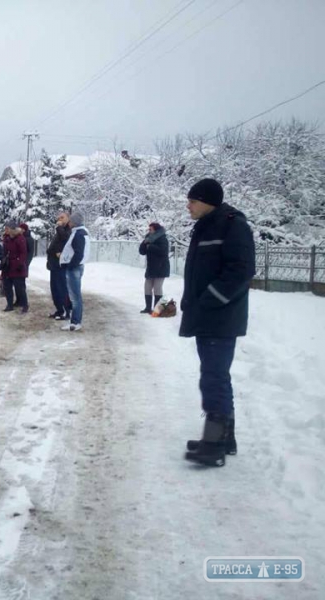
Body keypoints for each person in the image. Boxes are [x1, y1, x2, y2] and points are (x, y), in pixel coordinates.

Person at [181, 178, 255, 467]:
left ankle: (214, 444)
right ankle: (226, 439)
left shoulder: (232, 225)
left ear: (208, 201)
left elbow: (242, 270)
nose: (188, 205)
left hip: (220, 316)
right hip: (208, 314)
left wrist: (209, 299)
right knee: (215, 375)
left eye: (193, 200)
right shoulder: (207, 226)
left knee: (213, 377)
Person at [59, 212, 89, 331]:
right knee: (75, 295)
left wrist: (70, 266)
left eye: (70, 221)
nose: (69, 223)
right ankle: (75, 321)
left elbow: (78, 253)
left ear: (75, 222)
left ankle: (75, 322)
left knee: (75, 296)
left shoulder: (79, 234)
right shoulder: (80, 232)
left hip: (74, 268)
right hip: (76, 266)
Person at [138, 222, 171, 314]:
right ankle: (148, 308)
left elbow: (163, 251)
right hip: (151, 267)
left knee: (157, 288)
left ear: (156, 230)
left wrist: (150, 246)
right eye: (149, 229)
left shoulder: (163, 239)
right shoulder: (148, 238)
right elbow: (142, 251)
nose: (149, 231)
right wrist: (144, 244)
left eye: (150, 229)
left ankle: (157, 309)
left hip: (161, 267)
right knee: (147, 287)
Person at [46, 212, 72, 320]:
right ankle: (59, 310)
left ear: (68, 218)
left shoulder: (67, 230)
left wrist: (59, 227)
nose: (59, 219)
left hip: (61, 265)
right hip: (54, 264)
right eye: (59, 217)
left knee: (62, 289)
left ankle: (67, 311)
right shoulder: (60, 230)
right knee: (55, 289)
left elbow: (65, 238)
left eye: (62, 217)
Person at [1, 221, 29, 314]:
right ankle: (9, 304)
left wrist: (19, 263)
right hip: (7, 265)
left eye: (7, 228)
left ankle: (25, 305)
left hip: (17, 266)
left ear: (12, 229)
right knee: (7, 286)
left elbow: (23, 253)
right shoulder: (6, 238)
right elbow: (4, 252)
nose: (6, 230)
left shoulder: (20, 238)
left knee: (19, 287)